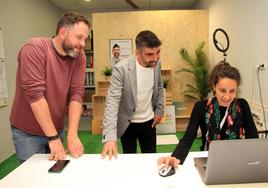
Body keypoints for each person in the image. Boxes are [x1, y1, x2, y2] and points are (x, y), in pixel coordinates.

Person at [9, 11, 90, 163]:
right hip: (28, 132)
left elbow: (76, 94)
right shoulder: (34, 49)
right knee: (33, 180)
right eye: (79, 37)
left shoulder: (79, 56)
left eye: (85, 39)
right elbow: (35, 96)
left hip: (57, 128)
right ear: (63, 32)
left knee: (58, 175)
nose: (83, 44)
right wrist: (53, 138)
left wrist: (72, 133)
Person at [157, 61, 259, 167]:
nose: (227, 97)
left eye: (232, 91)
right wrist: (175, 157)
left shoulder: (242, 105)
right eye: (222, 90)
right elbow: (188, 138)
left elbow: (253, 139)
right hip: (209, 160)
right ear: (214, 86)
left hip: (237, 160)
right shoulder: (201, 107)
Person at [101, 30, 165, 159]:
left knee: (151, 158)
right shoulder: (121, 68)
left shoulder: (156, 64)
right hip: (128, 124)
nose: (155, 58)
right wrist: (109, 136)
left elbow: (158, 87)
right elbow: (112, 101)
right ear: (137, 52)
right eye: (149, 54)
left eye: (158, 52)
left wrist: (159, 110)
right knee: (129, 160)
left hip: (149, 122)